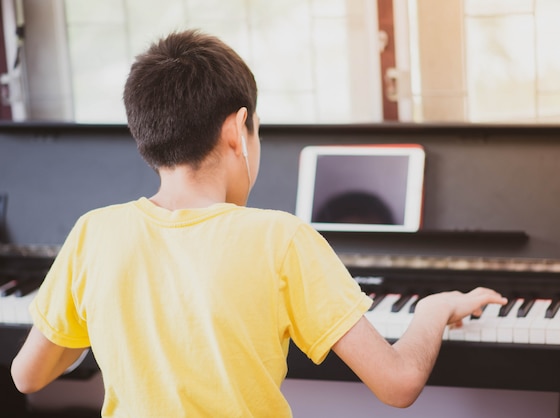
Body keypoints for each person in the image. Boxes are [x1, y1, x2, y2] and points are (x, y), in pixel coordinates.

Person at [10, 29, 507, 417]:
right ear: (236, 131)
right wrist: (434, 311)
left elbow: (27, 377)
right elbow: (398, 385)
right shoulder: (281, 238)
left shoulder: (94, 233)